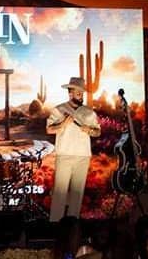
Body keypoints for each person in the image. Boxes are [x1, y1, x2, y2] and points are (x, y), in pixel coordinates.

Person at [46, 77, 101, 221]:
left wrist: (90, 130)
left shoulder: (89, 112)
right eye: (78, 93)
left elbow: (98, 132)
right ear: (70, 93)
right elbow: (49, 129)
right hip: (64, 155)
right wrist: (63, 124)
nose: (81, 96)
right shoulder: (59, 110)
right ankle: (55, 227)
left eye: (82, 94)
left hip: (83, 157)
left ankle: (72, 229)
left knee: (77, 196)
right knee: (59, 194)